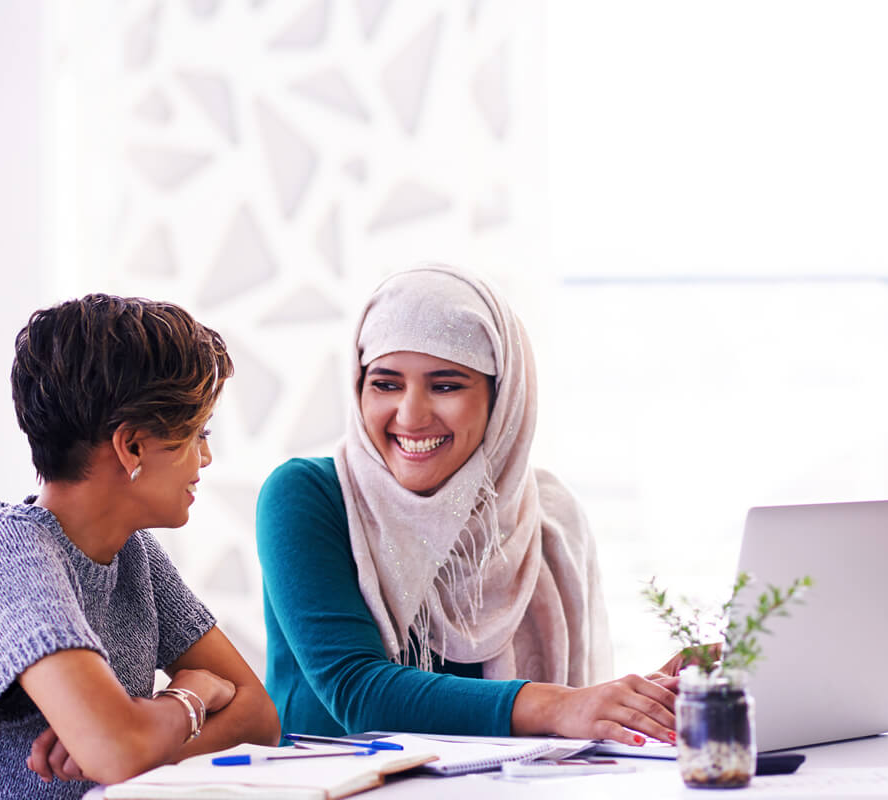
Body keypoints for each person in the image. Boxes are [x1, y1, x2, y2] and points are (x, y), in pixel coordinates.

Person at [0, 294, 280, 800]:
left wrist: (134, 743)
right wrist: (191, 695)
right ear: (130, 445)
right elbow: (116, 749)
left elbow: (259, 718)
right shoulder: (2, 555)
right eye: (196, 433)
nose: (207, 456)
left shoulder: (136, 556)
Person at [256, 264, 678, 746]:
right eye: (386, 384)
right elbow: (358, 692)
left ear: (501, 400)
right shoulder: (308, 495)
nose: (411, 416)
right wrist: (560, 704)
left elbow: (560, 719)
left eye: (446, 385)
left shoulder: (545, 518)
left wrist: (647, 702)